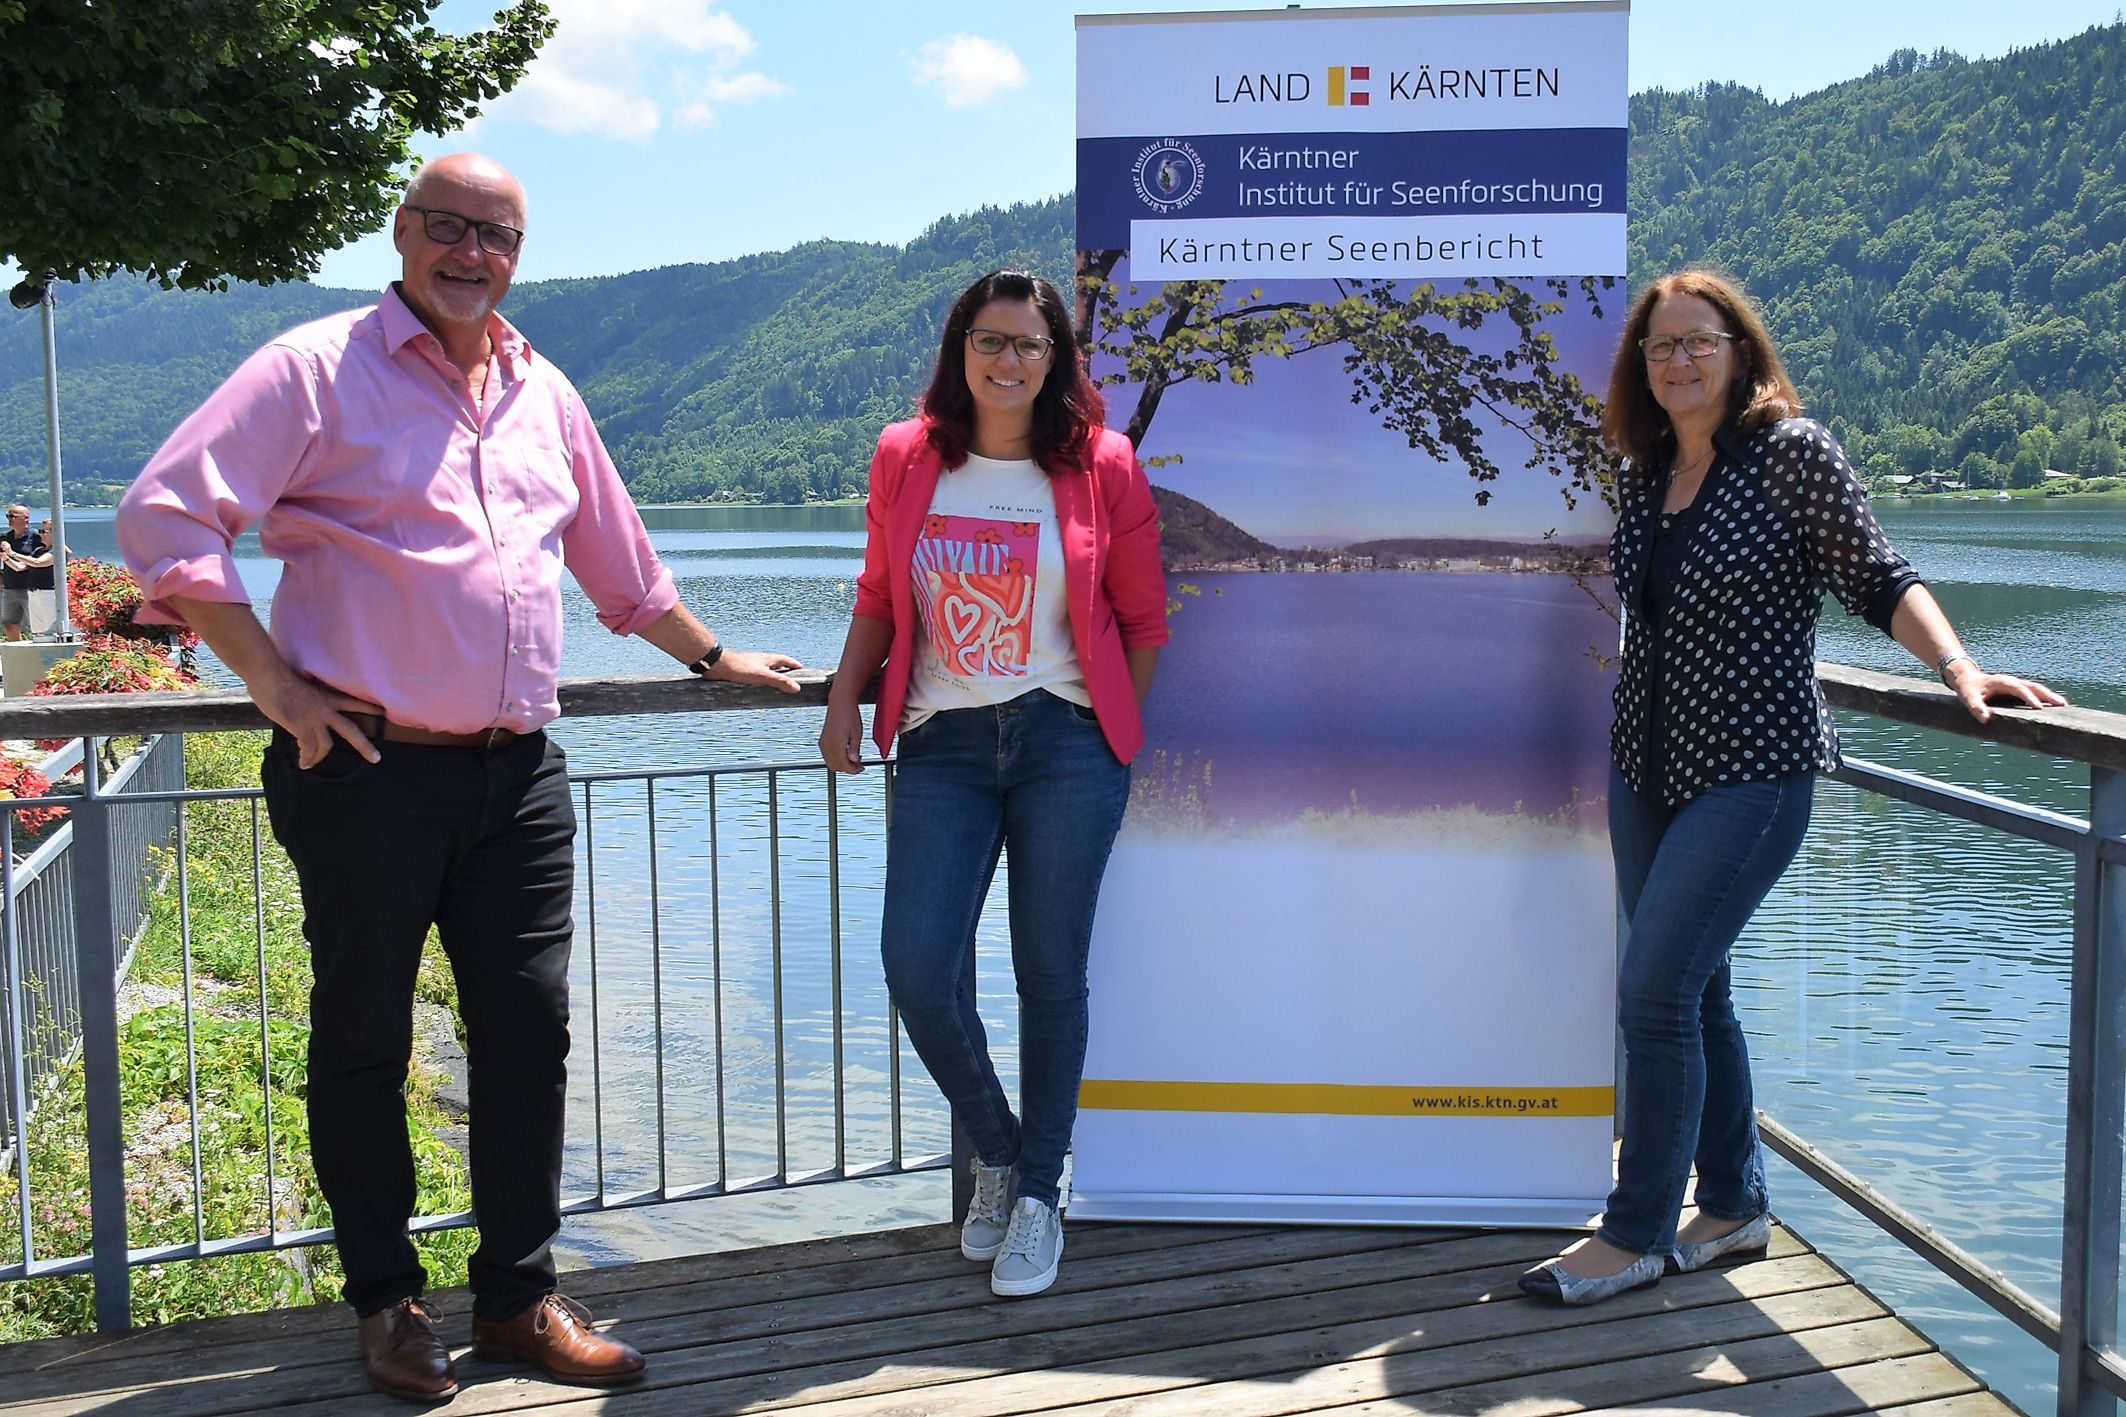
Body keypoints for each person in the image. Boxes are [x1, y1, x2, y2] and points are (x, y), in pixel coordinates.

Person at [117, 153, 804, 1400]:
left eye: (497, 235)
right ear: (403, 230)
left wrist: (712, 656)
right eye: (448, 226)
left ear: (518, 255)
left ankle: (516, 1302)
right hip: (363, 768)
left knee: (529, 1037)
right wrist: (273, 683)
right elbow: (166, 516)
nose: (470, 253)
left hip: (518, 776)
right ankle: (385, 1302)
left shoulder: (544, 387)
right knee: (365, 1042)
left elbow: (620, 566)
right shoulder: (313, 369)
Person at [1519, 270, 2066, 1306]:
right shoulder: (1644, 472)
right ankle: (1733, 1205)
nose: (1678, 360)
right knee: (1698, 989)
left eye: (1699, 340)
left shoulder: (1790, 455)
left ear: (1739, 352)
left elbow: (1879, 576)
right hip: (1644, 765)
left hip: (1753, 769)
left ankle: (1635, 1232)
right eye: (1659, 345)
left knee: (1652, 989)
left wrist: (1958, 667)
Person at [819, 269, 1167, 1298]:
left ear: (1055, 358)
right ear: (960, 348)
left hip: (1066, 744)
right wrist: (842, 700)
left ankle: (1039, 1196)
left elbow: (1142, 620)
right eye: (990, 340)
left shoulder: (1101, 463)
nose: (1008, 360)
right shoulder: (907, 454)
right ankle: (1001, 1153)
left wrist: (1111, 735)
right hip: (944, 742)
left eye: (1029, 343)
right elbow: (879, 595)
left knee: (1049, 976)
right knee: (916, 962)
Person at [1, 505, 35, 640]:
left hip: (30, 587)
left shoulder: (35, 536)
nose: (9, 519)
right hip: (10, 587)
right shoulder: (5, 537)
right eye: (8, 516)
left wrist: (9, 554)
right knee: (10, 623)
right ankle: (15, 648)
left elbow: (28, 564)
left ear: (26, 518)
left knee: (35, 624)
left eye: (13, 516)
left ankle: (37, 650)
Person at [25, 519, 61, 637]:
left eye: (43, 531)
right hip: (34, 593)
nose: (40, 535)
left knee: (51, 630)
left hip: (48, 594)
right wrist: (6, 556)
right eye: (39, 531)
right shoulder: (39, 550)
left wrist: (13, 553)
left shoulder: (58, 550)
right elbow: (20, 566)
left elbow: (38, 563)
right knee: (38, 632)